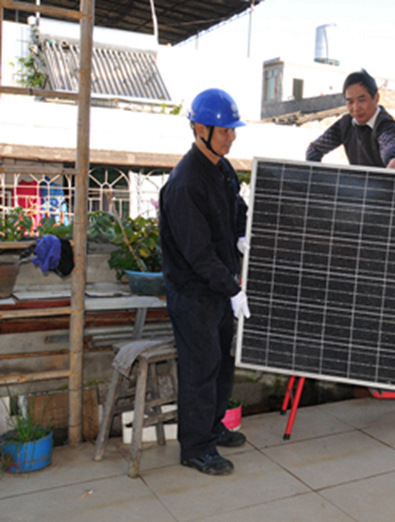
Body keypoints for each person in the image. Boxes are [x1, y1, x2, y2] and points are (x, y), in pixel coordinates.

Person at [159, 88, 252, 476]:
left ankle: (212, 428)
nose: (232, 137)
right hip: (194, 293)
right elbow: (198, 253)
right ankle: (196, 447)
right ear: (201, 129)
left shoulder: (221, 169)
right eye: (225, 130)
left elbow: (238, 209)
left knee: (221, 363)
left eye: (233, 130)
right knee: (200, 368)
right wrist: (233, 289)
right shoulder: (185, 183)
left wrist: (245, 235)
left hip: (219, 288)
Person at [305, 69, 395, 170]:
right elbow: (315, 149)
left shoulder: (385, 124)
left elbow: (389, 143)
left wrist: (391, 160)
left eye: (362, 100)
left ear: (376, 98)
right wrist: (315, 177)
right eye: (350, 102)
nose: (356, 108)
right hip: (365, 185)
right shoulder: (345, 125)